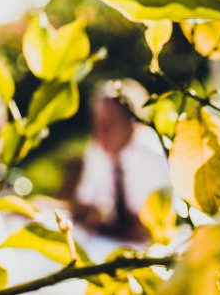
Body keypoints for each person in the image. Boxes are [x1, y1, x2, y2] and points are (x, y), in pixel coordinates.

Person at [69, 81, 170, 244]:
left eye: (110, 124)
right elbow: (83, 206)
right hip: (108, 242)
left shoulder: (150, 156)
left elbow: (146, 230)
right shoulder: (96, 151)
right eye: (98, 123)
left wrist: (102, 222)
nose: (102, 132)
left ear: (133, 124)